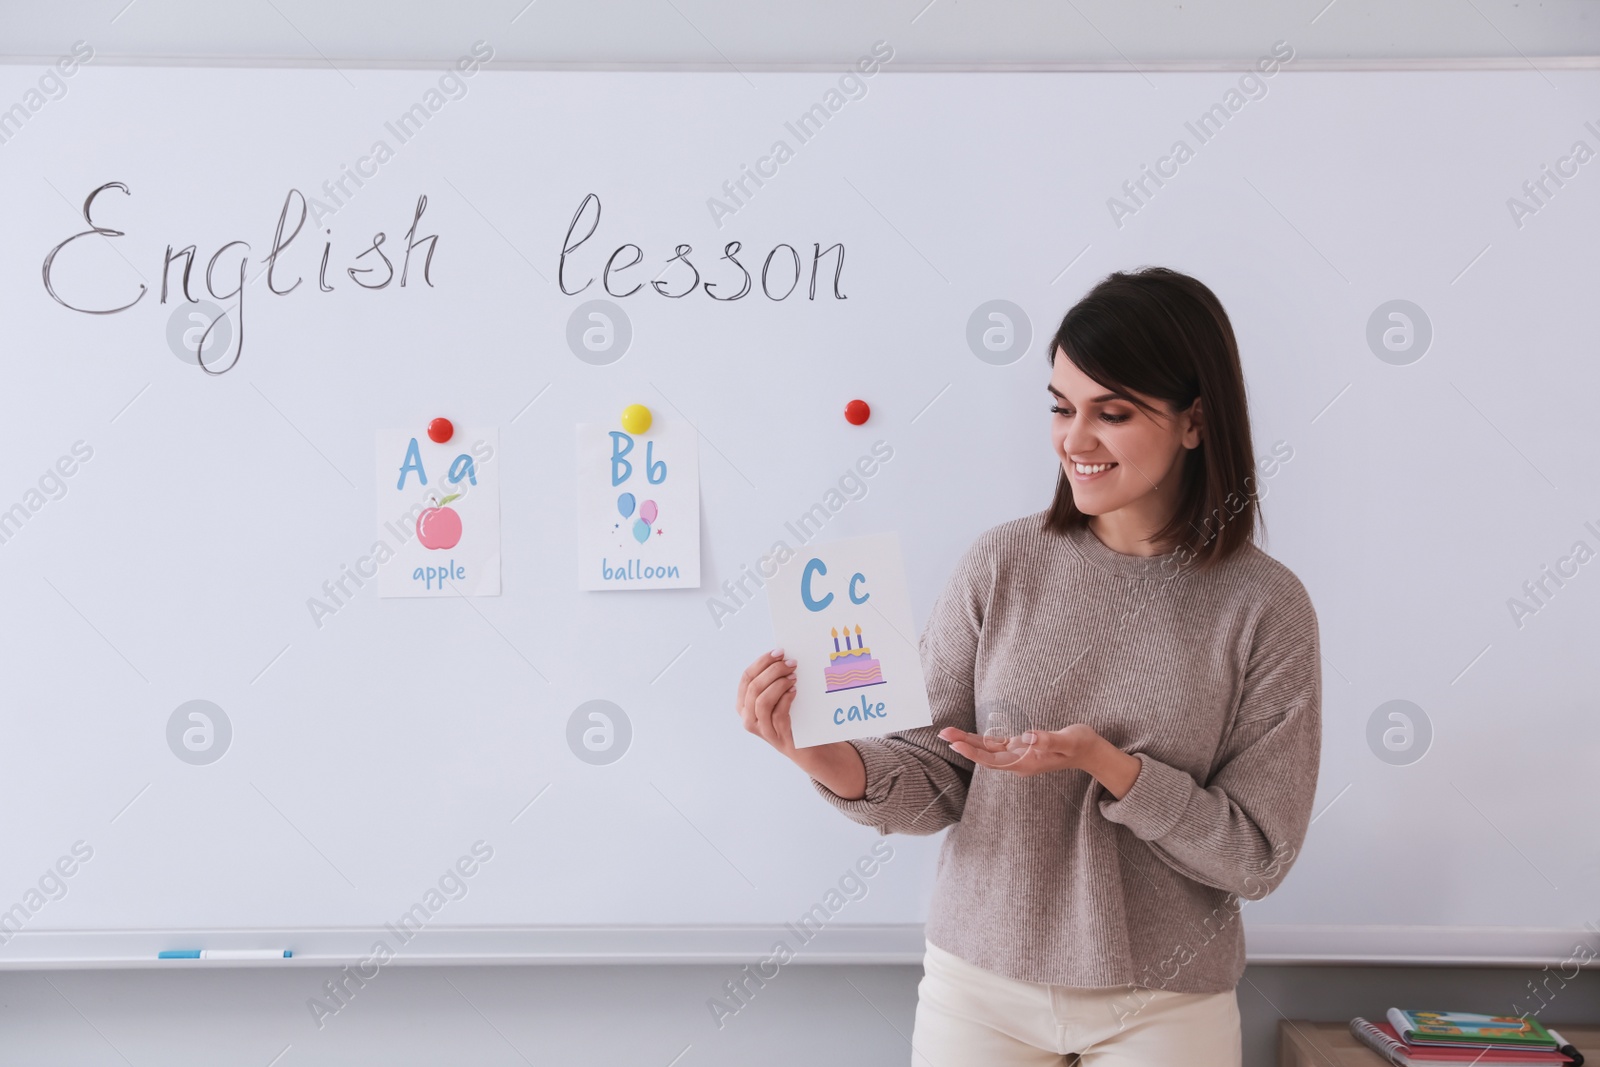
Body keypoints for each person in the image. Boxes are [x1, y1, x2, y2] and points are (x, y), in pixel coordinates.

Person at [733, 266, 1321, 1066]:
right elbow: (938, 773)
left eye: (1112, 413)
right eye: (1061, 407)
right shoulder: (1001, 563)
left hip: (1167, 998)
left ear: (1194, 421)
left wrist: (1110, 767)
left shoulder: (1264, 607)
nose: (1074, 440)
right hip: (980, 985)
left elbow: (1257, 854)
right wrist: (818, 754)